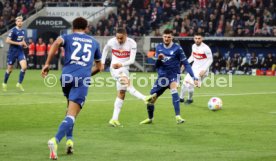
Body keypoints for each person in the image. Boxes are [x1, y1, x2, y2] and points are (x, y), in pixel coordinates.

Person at [41, 17, 102, 160]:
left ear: (73, 27)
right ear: (86, 28)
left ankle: (70, 141)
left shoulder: (67, 37)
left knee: (69, 109)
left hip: (66, 77)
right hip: (81, 79)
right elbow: (100, 67)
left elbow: (56, 43)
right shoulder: (94, 42)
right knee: (72, 115)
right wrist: (87, 74)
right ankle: (55, 141)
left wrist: (47, 64)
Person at [140, 29, 198, 124]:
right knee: (151, 99)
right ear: (162, 37)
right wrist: (158, 59)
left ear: (172, 37)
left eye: (169, 37)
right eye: (165, 37)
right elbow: (157, 65)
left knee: (174, 90)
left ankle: (178, 116)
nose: (166, 38)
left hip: (173, 74)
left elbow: (186, 63)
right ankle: (150, 119)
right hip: (162, 76)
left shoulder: (177, 48)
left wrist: (193, 76)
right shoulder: (159, 47)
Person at [101, 28, 156, 127]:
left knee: (122, 93)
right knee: (127, 83)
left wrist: (121, 65)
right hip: (114, 68)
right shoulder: (112, 41)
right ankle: (144, 98)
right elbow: (105, 49)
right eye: (117, 38)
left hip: (123, 68)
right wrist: (102, 62)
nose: (119, 40)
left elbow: (131, 60)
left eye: (121, 38)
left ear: (126, 36)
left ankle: (114, 119)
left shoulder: (132, 43)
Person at [179, 32, 213, 104]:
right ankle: (181, 98)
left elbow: (210, 60)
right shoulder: (194, 46)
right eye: (196, 38)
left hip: (202, 70)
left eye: (199, 38)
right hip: (194, 69)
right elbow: (192, 56)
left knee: (189, 85)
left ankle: (190, 99)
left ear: (202, 39)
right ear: (194, 38)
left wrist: (204, 70)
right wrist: (185, 64)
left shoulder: (206, 48)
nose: (197, 40)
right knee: (184, 83)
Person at [2, 15, 28, 92]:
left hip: (20, 51)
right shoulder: (13, 31)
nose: (20, 22)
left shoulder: (23, 31)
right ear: (16, 22)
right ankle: (4, 83)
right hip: (12, 52)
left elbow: (22, 40)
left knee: (24, 67)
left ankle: (19, 83)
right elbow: (7, 40)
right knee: (10, 70)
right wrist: (18, 43)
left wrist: (25, 44)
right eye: (18, 21)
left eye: (21, 21)